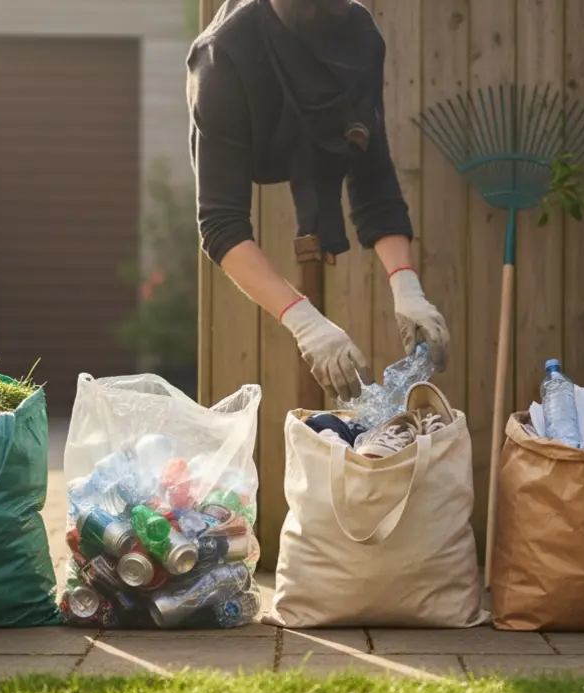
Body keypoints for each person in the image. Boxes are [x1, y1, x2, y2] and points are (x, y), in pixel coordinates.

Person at [187, 0, 449, 401]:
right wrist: (305, 322)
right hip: (261, 130)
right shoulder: (224, 58)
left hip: (320, 128)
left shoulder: (359, 36)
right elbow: (222, 225)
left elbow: (372, 173)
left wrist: (407, 286)